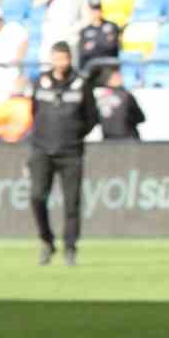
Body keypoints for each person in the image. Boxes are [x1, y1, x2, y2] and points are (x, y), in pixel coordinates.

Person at [28, 41, 99, 265]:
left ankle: (70, 247)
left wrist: (75, 134)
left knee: (72, 203)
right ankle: (47, 241)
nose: (60, 63)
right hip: (42, 149)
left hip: (70, 152)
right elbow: (34, 111)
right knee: (37, 197)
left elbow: (92, 118)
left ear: (70, 59)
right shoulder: (40, 82)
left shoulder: (81, 83)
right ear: (51, 59)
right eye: (57, 58)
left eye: (64, 58)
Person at [33, 0, 85, 65]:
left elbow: (87, 17)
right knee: (47, 67)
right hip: (51, 38)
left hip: (70, 39)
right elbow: (36, 3)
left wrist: (73, 30)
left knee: (70, 67)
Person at [94, 65, 145, 140]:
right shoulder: (126, 95)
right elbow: (140, 118)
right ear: (108, 80)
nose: (121, 79)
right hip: (128, 138)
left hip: (107, 139)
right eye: (117, 77)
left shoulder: (98, 97)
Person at [76, 0, 119, 76]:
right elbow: (84, 52)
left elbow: (112, 47)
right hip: (92, 69)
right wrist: (103, 40)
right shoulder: (85, 31)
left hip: (109, 67)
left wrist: (94, 44)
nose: (96, 12)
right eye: (93, 10)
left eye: (98, 9)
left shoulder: (112, 26)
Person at [0, 76, 34, 143]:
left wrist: (0, 142)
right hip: (22, 145)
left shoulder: (1, 106)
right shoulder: (31, 106)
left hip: (0, 145)